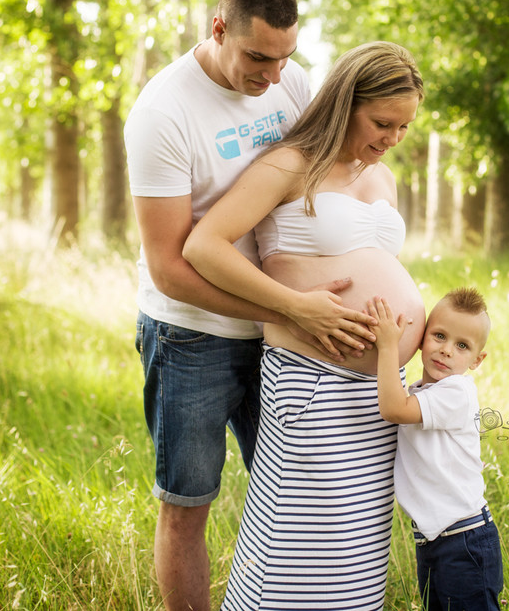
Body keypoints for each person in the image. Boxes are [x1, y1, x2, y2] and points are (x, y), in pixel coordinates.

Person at [124, 0, 375, 611]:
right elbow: (169, 267)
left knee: (301, 492)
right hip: (191, 336)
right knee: (188, 505)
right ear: (219, 28)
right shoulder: (162, 113)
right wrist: (289, 305)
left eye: (285, 57)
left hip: (286, 340)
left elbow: (322, 176)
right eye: (258, 58)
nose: (273, 77)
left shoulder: (289, 80)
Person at [182, 41, 428, 609]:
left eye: (405, 127)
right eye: (382, 123)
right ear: (346, 101)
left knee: (354, 551)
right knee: (294, 549)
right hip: (310, 383)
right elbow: (204, 245)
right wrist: (292, 306)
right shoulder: (290, 163)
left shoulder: (380, 177)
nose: (392, 138)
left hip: (378, 394)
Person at [369, 287, 505, 611]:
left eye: (462, 346)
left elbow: (392, 408)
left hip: (464, 542)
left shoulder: (456, 392)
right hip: (437, 542)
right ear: (420, 337)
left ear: (477, 360)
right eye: (439, 336)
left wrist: (387, 345)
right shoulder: (421, 393)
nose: (446, 351)